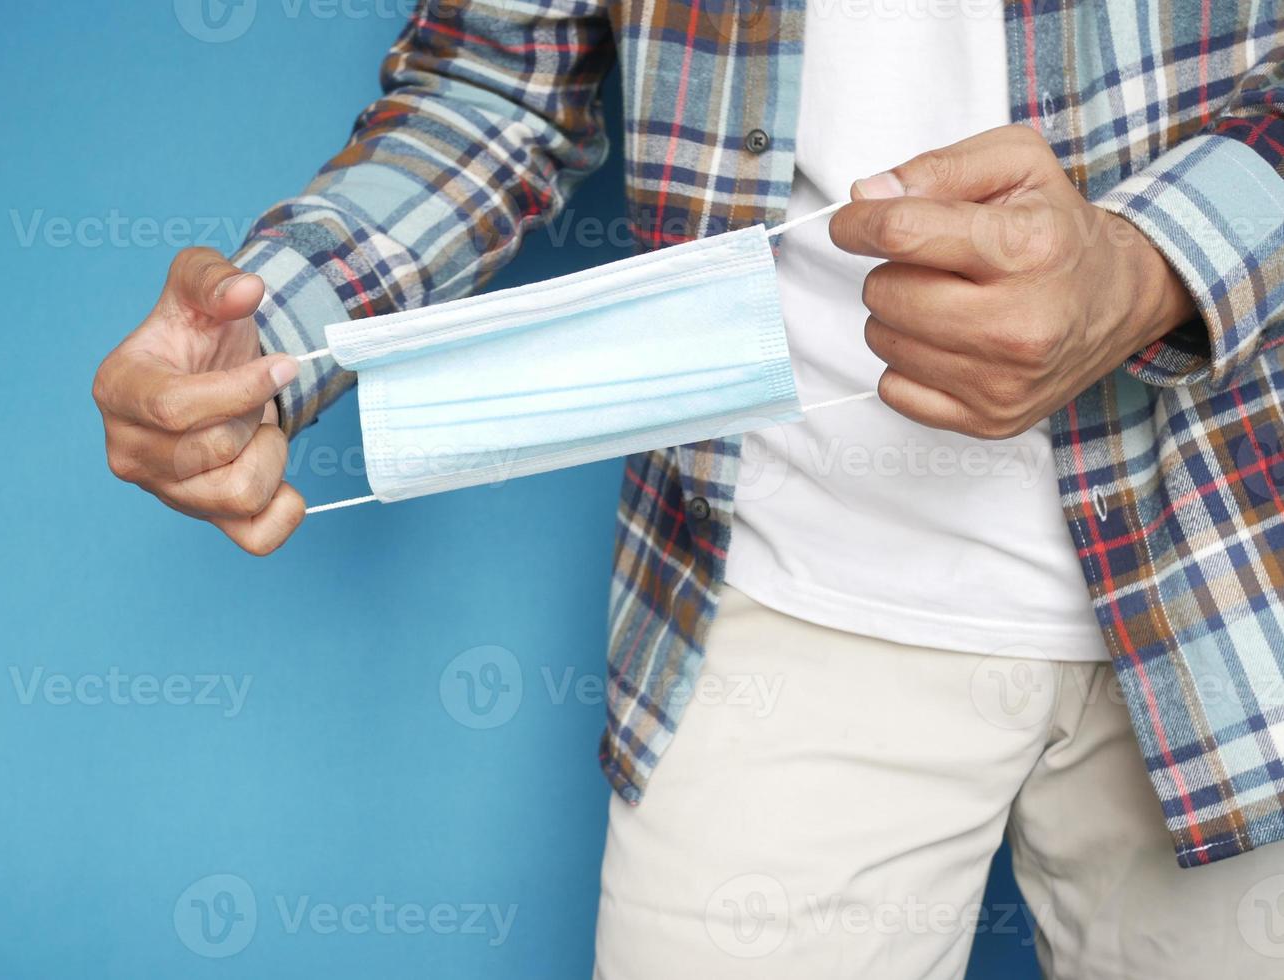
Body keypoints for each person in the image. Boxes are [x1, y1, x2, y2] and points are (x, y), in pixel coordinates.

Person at [92, 0, 1284, 975]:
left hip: (1237, 563)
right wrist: (271, 332)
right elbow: (496, 82)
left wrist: (1150, 264)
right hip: (779, 574)